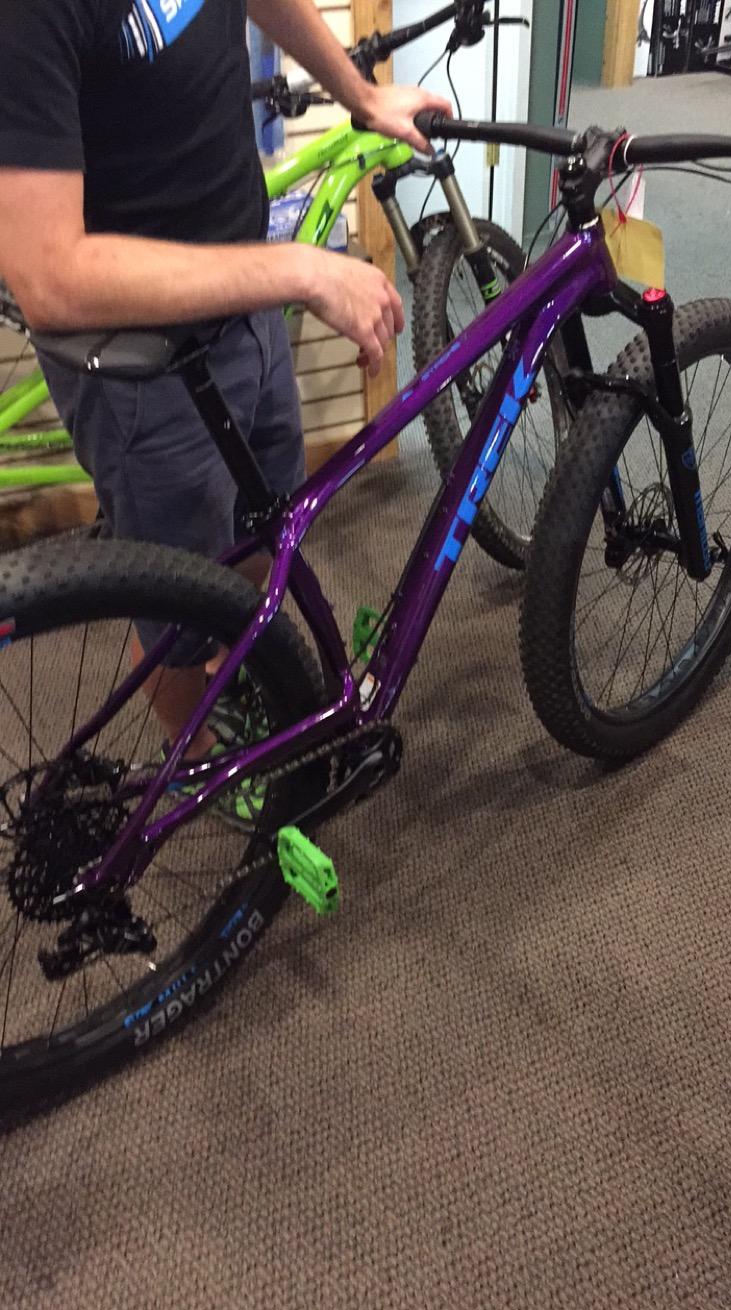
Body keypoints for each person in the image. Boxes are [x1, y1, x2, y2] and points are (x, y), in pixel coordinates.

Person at [0, 0, 450, 814]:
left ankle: (244, 681)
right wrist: (299, 273)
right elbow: (48, 278)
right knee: (176, 610)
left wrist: (361, 94)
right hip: (141, 372)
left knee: (258, 535)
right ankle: (203, 761)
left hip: (244, 304)